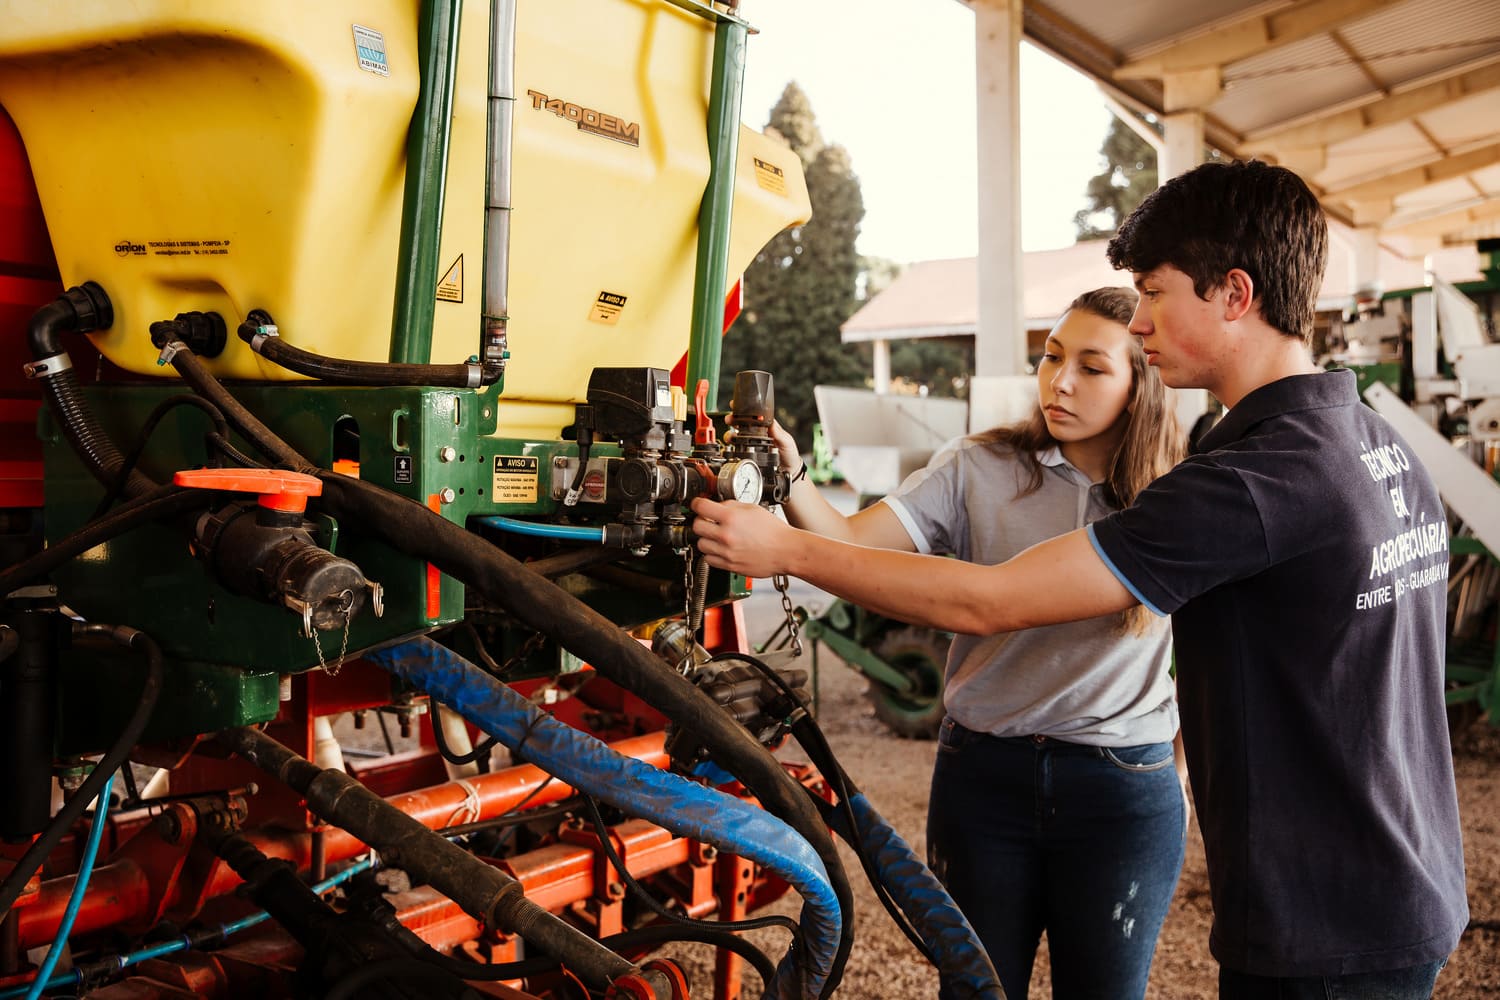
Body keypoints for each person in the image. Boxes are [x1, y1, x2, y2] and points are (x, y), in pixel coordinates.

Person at [692, 160, 1469, 999]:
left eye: (1157, 292)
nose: (1141, 321)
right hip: (1397, 882)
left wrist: (787, 552)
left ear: (1236, 295)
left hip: (1326, 922)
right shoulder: (1373, 444)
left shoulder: (1255, 479)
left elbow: (991, 603)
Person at [763, 286, 1186, 999]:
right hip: (983, 779)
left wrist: (1170, 771)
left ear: (1141, 384)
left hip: (1120, 789)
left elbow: (1214, 651)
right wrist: (793, 475)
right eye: (1051, 358)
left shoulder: (1177, 494)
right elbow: (847, 542)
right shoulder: (979, 468)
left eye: (1092, 366)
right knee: (975, 992)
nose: (1060, 381)